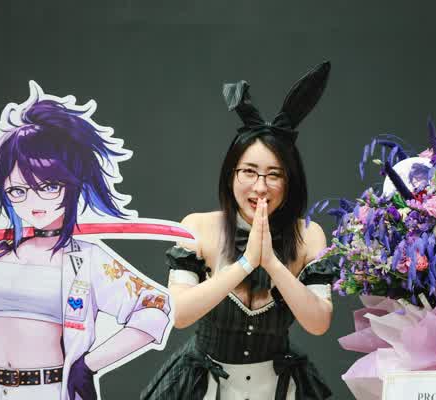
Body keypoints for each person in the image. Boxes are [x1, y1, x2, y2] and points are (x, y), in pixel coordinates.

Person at [0, 84, 173, 400]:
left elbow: (154, 307)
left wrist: (87, 366)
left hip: (48, 390)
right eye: (17, 191)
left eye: (48, 187)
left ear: (72, 184)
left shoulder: (86, 259)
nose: (33, 201)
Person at [141, 62, 334, 400]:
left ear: (290, 182)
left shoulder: (309, 234)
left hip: (281, 387)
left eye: (274, 174)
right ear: (231, 175)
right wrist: (245, 263)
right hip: (203, 386)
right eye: (249, 171)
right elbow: (179, 314)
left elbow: (319, 323)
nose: (260, 186)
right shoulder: (197, 227)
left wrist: (272, 263)